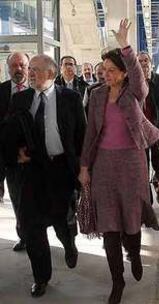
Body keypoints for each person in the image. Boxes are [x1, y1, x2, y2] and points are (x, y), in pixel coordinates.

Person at [78, 19, 159, 304]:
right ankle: (117, 281)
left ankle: (135, 254)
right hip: (103, 167)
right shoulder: (96, 94)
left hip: (133, 163)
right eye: (104, 71)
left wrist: (126, 46)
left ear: (123, 73)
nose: (106, 75)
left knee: (132, 221)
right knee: (110, 226)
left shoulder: (134, 91)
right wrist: (84, 167)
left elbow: (139, 77)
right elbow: (90, 134)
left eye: (111, 71)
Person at [4, 53, 86, 297]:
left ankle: (69, 243)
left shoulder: (70, 98)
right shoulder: (20, 99)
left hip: (61, 170)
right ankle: (41, 277)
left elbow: (82, 136)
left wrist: (83, 169)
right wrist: (15, 153)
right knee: (31, 226)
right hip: (31, 172)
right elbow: (7, 132)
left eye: (36, 69)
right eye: (31, 69)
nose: (30, 73)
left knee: (62, 220)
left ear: (50, 74)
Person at [0, 52, 30, 250]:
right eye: (14, 66)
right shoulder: (1, 91)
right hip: (11, 159)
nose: (18, 69)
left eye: (22, 65)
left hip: (35, 158)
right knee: (18, 199)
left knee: (37, 200)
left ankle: (38, 234)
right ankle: (24, 237)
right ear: (8, 68)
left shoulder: (38, 90)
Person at [138, 51, 159, 205]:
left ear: (151, 64)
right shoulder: (132, 83)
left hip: (157, 132)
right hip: (140, 134)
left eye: (146, 60)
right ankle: (147, 202)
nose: (143, 63)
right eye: (140, 61)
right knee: (142, 168)